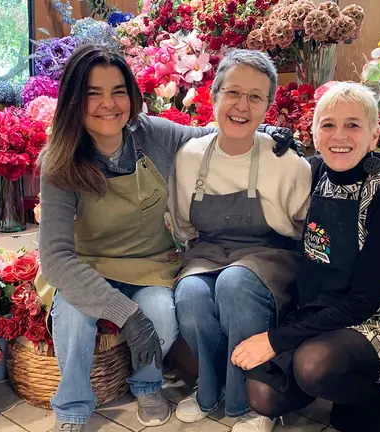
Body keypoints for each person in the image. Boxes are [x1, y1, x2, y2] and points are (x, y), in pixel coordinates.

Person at [35, 44, 299, 432]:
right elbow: (56, 257)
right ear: (74, 100)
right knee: (73, 318)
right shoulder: (59, 162)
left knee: (160, 312)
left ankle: (147, 385)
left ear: (132, 95)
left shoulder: (151, 134)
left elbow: (215, 134)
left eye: (118, 91)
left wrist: (267, 132)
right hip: (85, 265)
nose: (108, 104)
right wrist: (125, 315)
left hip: (149, 265)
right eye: (93, 93)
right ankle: (72, 409)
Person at [234, 82, 380, 432]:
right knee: (262, 394)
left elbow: (364, 301)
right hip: (320, 309)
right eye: (328, 125)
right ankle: (336, 388)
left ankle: (376, 401)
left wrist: (275, 340)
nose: (340, 136)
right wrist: (266, 134)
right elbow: (259, 154)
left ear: (373, 136)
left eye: (353, 125)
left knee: (314, 365)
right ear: (314, 133)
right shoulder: (315, 172)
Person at [170, 49, 312, 432]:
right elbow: (184, 224)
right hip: (209, 248)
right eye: (233, 92)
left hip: (269, 254)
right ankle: (208, 390)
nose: (241, 105)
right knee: (191, 295)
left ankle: (247, 403)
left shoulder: (286, 161)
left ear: (268, 107)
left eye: (255, 97)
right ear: (214, 95)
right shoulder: (190, 156)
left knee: (235, 284)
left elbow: (304, 228)